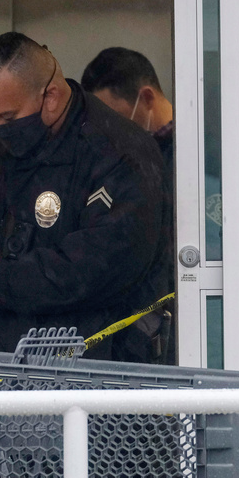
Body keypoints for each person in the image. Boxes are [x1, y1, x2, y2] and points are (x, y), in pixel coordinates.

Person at [0, 32, 170, 363]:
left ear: (50, 96)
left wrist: (4, 279)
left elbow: (103, 263)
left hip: (93, 372)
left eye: (6, 117)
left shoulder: (119, 151)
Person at [82, 48, 176, 361]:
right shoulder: (112, 161)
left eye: (116, 117)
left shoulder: (196, 153)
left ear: (146, 98)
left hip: (172, 318)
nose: (111, 130)